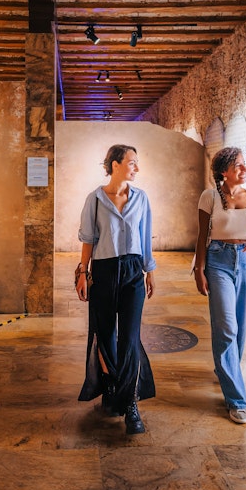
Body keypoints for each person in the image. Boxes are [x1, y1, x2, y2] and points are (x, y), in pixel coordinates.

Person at [75, 144, 157, 435]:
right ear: (115, 165)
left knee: (130, 337)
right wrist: (83, 273)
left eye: (136, 162)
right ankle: (111, 386)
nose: (136, 168)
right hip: (105, 271)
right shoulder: (95, 199)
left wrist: (149, 271)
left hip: (134, 271)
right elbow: (88, 238)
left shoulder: (141, 198)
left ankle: (130, 404)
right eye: (132, 162)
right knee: (106, 334)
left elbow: (145, 235)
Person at [193, 147, 246, 424]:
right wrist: (199, 269)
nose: (244, 170)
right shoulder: (210, 196)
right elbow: (202, 236)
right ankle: (236, 400)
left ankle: (226, 369)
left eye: (244, 165)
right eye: (238, 166)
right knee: (226, 327)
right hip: (218, 262)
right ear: (223, 170)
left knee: (241, 326)